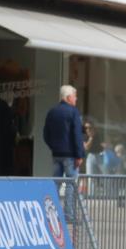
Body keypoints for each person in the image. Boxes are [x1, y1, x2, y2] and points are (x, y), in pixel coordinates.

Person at [43, 85, 85, 222]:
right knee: (71, 185)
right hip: (70, 155)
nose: (76, 98)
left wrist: (53, 147)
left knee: (55, 184)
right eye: (75, 96)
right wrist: (79, 155)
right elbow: (77, 135)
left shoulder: (52, 112)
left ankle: (51, 214)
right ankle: (69, 215)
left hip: (56, 154)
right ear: (68, 97)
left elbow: (46, 135)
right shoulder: (73, 112)